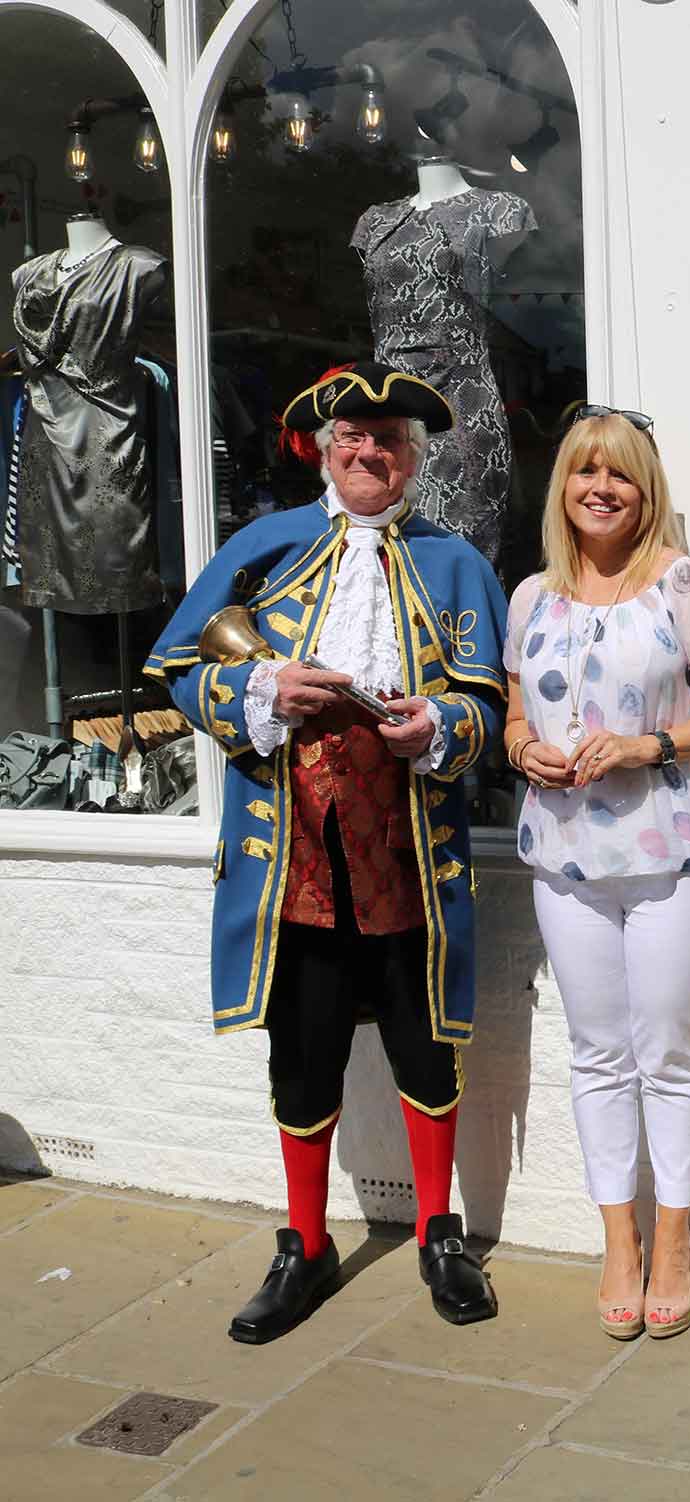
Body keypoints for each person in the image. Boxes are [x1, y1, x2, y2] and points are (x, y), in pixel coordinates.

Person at [146, 363, 507, 1342]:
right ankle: (304, 1242)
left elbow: (490, 708)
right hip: (293, 850)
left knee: (425, 1042)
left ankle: (440, 1232)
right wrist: (261, 694)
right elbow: (177, 667)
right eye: (352, 436)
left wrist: (440, 726)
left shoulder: (457, 563)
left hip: (409, 854)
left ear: (413, 457)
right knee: (301, 1052)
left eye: (388, 439)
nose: (369, 451)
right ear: (321, 447)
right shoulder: (263, 547)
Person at [502, 408, 690, 1340]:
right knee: (598, 1052)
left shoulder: (682, 584)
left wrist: (649, 745)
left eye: (619, 476)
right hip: (564, 858)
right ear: (561, 489)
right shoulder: (532, 596)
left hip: (672, 851)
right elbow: (514, 715)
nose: (600, 490)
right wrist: (524, 744)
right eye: (583, 474)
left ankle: (676, 1237)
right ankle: (619, 1241)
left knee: (669, 1047)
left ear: (645, 492)